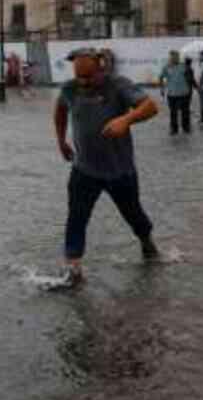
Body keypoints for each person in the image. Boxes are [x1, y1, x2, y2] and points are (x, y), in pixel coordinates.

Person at [54, 48, 160, 285]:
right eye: (79, 77)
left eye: (88, 77)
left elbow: (151, 107)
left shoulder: (118, 85)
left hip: (119, 170)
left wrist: (126, 119)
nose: (83, 83)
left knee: (133, 214)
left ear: (101, 68)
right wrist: (61, 141)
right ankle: (74, 268)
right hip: (84, 169)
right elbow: (60, 110)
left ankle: (146, 242)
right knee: (76, 217)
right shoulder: (70, 88)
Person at [160, 51, 192, 134]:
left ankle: (186, 127)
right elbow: (161, 77)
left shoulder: (184, 66)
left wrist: (189, 88)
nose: (173, 58)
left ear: (178, 57)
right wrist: (162, 89)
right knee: (173, 112)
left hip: (184, 93)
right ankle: (174, 128)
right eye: (171, 57)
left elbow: (189, 77)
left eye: (175, 56)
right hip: (172, 94)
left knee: (185, 111)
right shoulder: (166, 67)